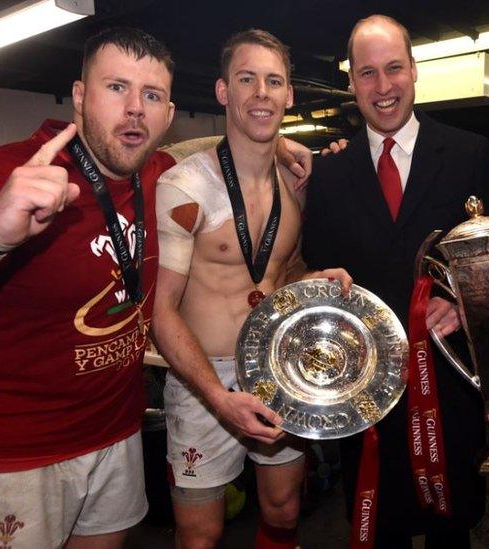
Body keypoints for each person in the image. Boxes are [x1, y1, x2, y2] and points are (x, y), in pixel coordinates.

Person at [0, 27, 322, 549]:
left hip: (116, 434)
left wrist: (275, 139)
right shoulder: (6, 173)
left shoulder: (160, 173)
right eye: (116, 87)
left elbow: (229, 148)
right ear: (79, 95)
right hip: (18, 450)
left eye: (152, 95)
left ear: (168, 114)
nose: (135, 109)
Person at [302, 15, 489, 548]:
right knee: (379, 525)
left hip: (449, 373)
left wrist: (464, 305)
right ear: (350, 82)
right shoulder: (329, 172)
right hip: (367, 386)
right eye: (367, 73)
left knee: (449, 527)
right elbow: (315, 262)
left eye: (393, 69)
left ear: (414, 71)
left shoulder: (469, 154)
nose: (383, 87)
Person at [152, 29, 350, 549]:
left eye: (273, 81)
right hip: (204, 377)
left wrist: (310, 282)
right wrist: (218, 397)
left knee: (284, 511)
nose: (261, 92)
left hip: (278, 369)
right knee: (200, 534)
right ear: (224, 92)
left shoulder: (298, 184)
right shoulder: (185, 187)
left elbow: (280, 276)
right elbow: (161, 310)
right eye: (247, 79)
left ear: (289, 95)